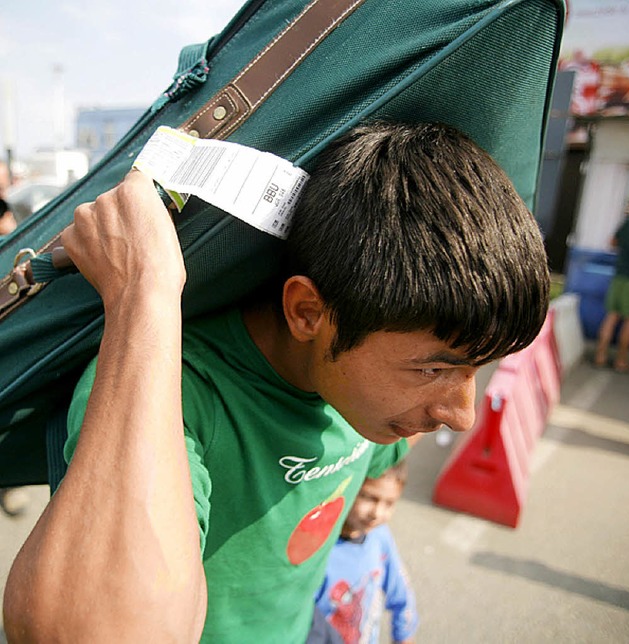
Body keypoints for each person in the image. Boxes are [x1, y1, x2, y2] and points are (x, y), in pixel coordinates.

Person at [3, 121, 550, 642]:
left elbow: (376, 471)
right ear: (308, 313)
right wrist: (142, 290)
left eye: (477, 368)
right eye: (433, 368)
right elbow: (99, 635)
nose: (461, 414)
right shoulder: (171, 389)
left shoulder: (371, 401)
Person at [315, 460, 418, 644]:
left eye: (389, 503)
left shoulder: (379, 536)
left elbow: (401, 594)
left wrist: (404, 635)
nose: (377, 513)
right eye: (369, 498)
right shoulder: (317, 548)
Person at [594, 202, 629, 373]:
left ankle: (600, 356)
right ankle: (621, 361)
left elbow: (613, 242)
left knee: (612, 316)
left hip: (620, 276)